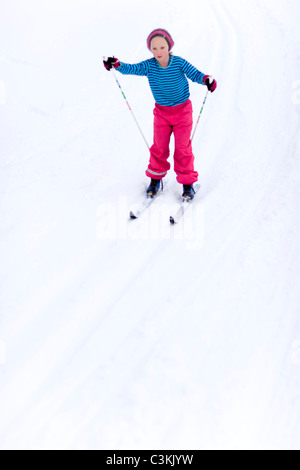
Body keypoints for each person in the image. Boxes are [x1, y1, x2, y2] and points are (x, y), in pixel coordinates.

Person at [103, 28, 217, 200]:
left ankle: (187, 183)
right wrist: (117, 64)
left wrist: (207, 79)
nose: (158, 52)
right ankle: (156, 179)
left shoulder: (178, 63)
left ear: (169, 47)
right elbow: (131, 69)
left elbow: (195, 74)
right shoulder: (149, 66)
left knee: (182, 148)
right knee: (159, 148)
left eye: (162, 47)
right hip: (162, 113)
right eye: (154, 48)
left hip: (182, 112)